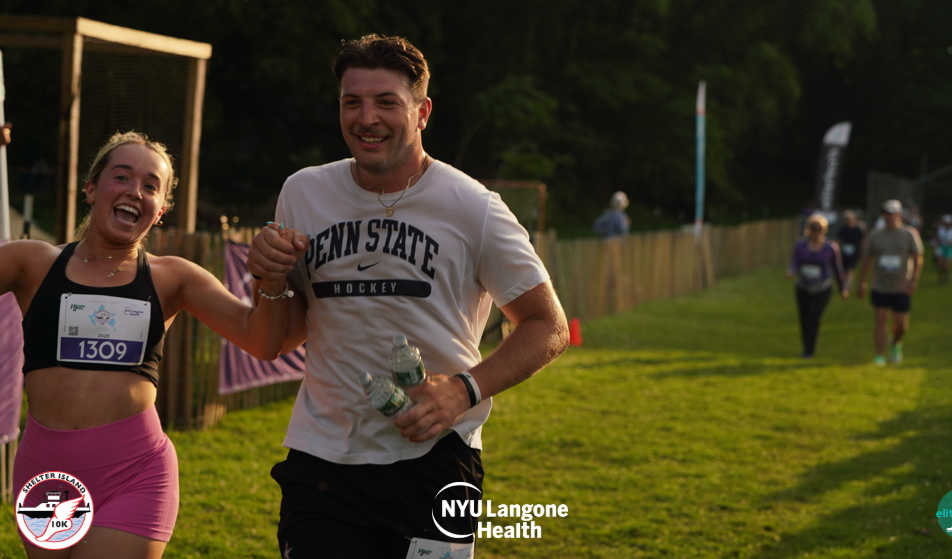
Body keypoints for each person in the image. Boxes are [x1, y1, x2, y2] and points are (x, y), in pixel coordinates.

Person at [246, 34, 570, 558]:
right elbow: (279, 338)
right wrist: (270, 280)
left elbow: (548, 325)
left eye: (386, 102)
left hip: (435, 459)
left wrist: (463, 390)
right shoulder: (302, 192)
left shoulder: (473, 206)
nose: (366, 118)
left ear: (422, 113)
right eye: (352, 102)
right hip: (323, 461)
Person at [1, 131, 297, 559]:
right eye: (122, 177)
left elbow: (262, 341)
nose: (134, 191)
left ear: (160, 211)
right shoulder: (31, 262)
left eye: (150, 186)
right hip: (44, 470)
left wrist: (271, 278)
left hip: (134, 472)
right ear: (91, 188)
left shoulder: (173, 277)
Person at [855, 199, 924, 366]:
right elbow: (866, 260)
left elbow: (918, 258)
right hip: (880, 285)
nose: (889, 217)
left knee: (901, 324)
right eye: (886, 214)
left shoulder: (909, 234)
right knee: (880, 321)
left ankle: (895, 343)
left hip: (901, 286)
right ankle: (879, 355)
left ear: (899, 215)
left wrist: (913, 280)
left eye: (892, 214)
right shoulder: (875, 235)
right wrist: (861, 282)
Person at [786, 214, 848, 358]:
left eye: (818, 228)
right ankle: (806, 346)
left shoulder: (830, 248)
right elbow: (795, 262)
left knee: (812, 316)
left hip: (822, 289)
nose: (816, 231)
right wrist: (791, 271)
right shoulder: (800, 245)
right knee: (804, 318)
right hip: (803, 287)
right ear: (809, 229)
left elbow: (837, 269)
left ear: (824, 229)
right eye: (813, 228)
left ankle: (809, 349)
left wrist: (842, 289)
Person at [835, 209, 866, 291]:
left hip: (854, 253)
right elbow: (838, 240)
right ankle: (844, 284)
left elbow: (862, 241)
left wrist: (862, 251)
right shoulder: (843, 229)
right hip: (844, 252)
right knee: (844, 269)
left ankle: (847, 286)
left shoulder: (858, 229)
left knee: (851, 269)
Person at [934, 214, 952, 284]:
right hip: (941, 247)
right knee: (940, 264)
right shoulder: (940, 229)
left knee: (946, 265)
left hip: (949, 248)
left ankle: (946, 274)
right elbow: (937, 238)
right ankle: (940, 279)